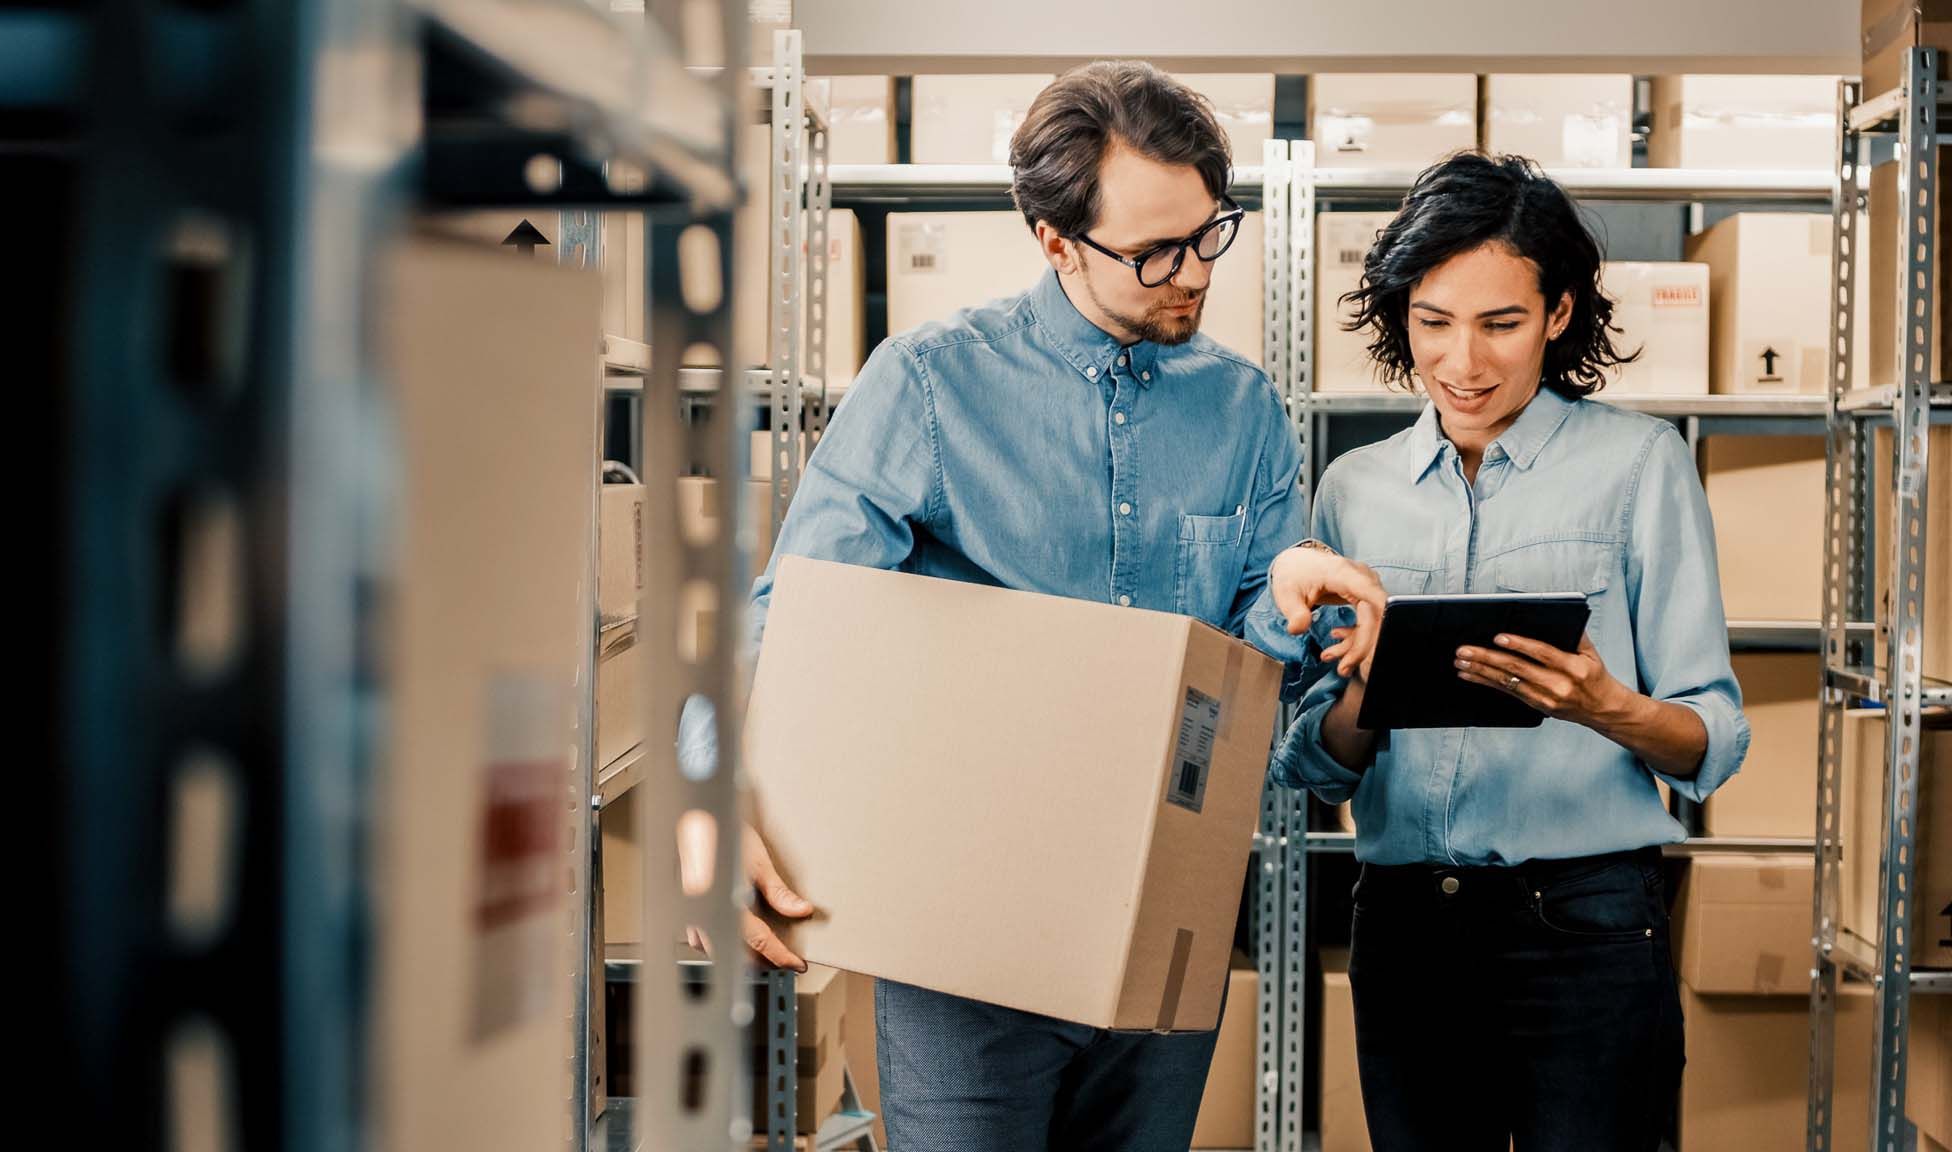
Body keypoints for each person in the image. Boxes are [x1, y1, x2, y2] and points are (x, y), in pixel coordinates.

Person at [680, 61, 1387, 1152]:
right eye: (1151, 251)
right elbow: (790, 618)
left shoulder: (1242, 409)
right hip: (965, 937)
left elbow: (1250, 674)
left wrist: (1285, 600)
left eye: (1208, 234)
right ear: (1053, 240)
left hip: (1163, 922)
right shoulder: (926, 385)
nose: (1191, 273)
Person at [1270, 152, 1751, 1152]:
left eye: (1499, 323)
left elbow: (1710, 739)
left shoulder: (1636, 466)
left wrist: (1598, 704)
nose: (1462, 364)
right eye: (1432, 322)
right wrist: (1362, 686)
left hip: (1582, 922)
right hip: (1403, 926)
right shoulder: (1352, 490)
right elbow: (1314, 765)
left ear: (1558, 314)